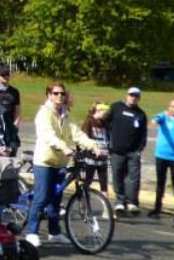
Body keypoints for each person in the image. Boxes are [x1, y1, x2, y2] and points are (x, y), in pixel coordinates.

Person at [25, 82, 101, 248]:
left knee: (56, 199)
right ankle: (32, 232)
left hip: (60, 162)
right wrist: (64, 147)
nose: (60, 96)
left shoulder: (66, 115)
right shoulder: (44, 114)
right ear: (49, 95)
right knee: (42, 197)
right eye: (56, 93)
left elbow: (77, 134)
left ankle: (54, 232)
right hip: (44, 162)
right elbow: (48, 135)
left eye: (62, 93)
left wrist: (93, 145)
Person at [108, 87, 148, 215]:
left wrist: (139, 149)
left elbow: (143, 134)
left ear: (139, 98)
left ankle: (132, 202)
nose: (133, 98)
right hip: (116, 150)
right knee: (117, 175)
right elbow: (106, 124)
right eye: (131, 95)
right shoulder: (116, 107)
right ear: (127, 95)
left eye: (136, 96)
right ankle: (120, 201)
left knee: (133, 178)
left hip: (133, 152)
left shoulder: (140, 114)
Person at [150, 97, 174, 219]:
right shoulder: (163, 116)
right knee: (160, 181)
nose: (172, 109)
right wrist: (158, 118)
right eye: (170, 106)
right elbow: (154, 121)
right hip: (161, 154)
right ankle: (157, 207)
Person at [79, 103, 111, 193]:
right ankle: (84, 198)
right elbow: (83, 138)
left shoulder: (105, 123)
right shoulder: (89, 121)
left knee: (104, 183)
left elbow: (108, 138)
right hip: (91, 158)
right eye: (104, 113)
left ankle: (105, 200)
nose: (106, 116)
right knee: (88, 180)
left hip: (103, 157)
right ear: (98, 111)